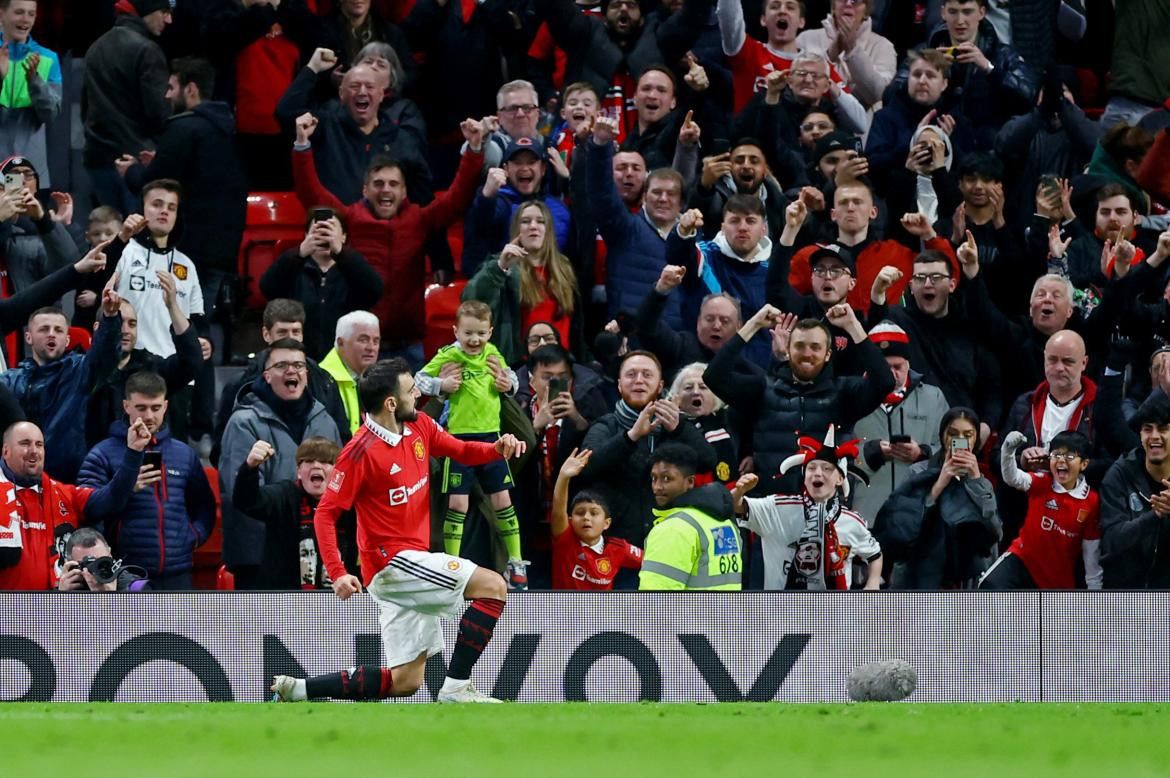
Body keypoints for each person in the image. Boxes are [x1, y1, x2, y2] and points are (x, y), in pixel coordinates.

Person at [271, 358, 526, 703]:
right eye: (411, 390)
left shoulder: (419, 424)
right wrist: (338, 571)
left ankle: (298, 689)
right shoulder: (359, 452)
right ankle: (457, 687)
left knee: (406, 681)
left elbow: (461, 450)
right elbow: (325, 514)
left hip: (412, 559)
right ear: (391, 403)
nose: (418, 394)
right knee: (493, 585)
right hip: (390, 563)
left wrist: (495, 449)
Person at [292, 112, 485, 367]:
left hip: (408, 346)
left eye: (393, 184)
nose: (386, 189)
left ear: (404, 191)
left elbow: (457, 198)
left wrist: (473, 149)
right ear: (365, 189)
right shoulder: (350, 219)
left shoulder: (419, 219)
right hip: (360, 347)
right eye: (378, 183)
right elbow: (310, 192)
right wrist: (302, 145)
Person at [704, 303, 896, 495]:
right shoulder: (762, 389)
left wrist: (853, 326)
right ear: (788, 349)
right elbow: (713, 376)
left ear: (828, 354)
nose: (807, 354)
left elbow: (885, 381)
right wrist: (753, 324)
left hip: (826, 506)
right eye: (799, 346)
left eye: (815, 347)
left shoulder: (844, 392)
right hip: (771, 506)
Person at [114, 56, 248, 320]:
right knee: (202, 321)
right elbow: (202, 175)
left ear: (191, 89)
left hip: (190, 247)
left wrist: (130, 171)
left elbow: (152, 184)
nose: (166, 94)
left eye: (172, 87)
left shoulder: (184, 127)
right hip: (224, 246)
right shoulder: (231, 128)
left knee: (178, 322)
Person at [415, 300, 526, 588]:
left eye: (480, 333)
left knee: (502, 499)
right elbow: (419, 380)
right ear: (455, 331)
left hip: (493, 438)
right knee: (458, 503)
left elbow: (511, 378)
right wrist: (442, 386)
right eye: (468, 334)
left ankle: (516, 563)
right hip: (458, 441)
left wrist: (508, 385)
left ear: (490, 332)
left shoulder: (493, 354)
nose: (474, 340)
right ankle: (451, 567)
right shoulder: (449, 355)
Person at [219, 338, 343, 590]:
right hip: (260, 558)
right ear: (266, 376)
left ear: (307, 374)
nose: (291, 371)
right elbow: (241, 495)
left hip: (319, 552)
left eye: (298, 365)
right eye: (281, 365)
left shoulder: (324, 419)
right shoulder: (244, 421)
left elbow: (339, 483)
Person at [77, 371, 215, 591]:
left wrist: (193, 537)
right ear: (126, 406)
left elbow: (205, 507)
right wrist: (126, 487)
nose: (149, 416)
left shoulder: (184, 454)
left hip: (178, 572)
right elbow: (88, 508)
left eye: (156, 407)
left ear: (166, 406)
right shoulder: (102, 453)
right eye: (141, 408)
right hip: (126, 574)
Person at [578, 350, 717, 549]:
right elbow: (587, 466)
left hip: (673, 539)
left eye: (647, 375)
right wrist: (631, 436)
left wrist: (678, 429)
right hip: (618, 545)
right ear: (619, 384)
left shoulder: (677, 425)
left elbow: (708, 461)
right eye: (631, 374)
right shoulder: (606, 425)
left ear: (660, 386)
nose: (639, 380)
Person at [0, 418, 151, 590]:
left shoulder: (64, 494)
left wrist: (133, 452)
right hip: (8, 609)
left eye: (39, 444)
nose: (34, 451)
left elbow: (110, 500)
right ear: (6, 451)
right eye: (25, 443)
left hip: (58, 609)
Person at [0, 272, 122, 483]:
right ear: (28, 337)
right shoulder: (9, 380)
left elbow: (106, 356)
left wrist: (110, 318)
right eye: (44, 329)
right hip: (15, 480)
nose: (51, 334)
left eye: (58, 330)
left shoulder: (80, 370)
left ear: (67, 340)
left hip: (66, 482)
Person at [532, 0, 713, 141]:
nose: (624, 9)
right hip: (589, 143)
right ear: (604, 12)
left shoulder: (659, 37)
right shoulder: (585, 35)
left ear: (642, 13)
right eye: (616, 4)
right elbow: (556, 8)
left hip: (651, 146)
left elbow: (694, 15)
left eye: (631, 4)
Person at [732, 427, 882, 589]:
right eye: (811, 468)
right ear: (804, 477)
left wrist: (873, 583)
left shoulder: (852, 522)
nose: (817, 473)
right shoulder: (777, 508)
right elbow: (737, 507)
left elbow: (875, 554)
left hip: (834, 611)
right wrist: (739, 491)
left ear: (840, 479)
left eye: (827, 468)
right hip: (784, 610)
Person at [276, 51, 430, 206]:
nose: (362, 91)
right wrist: (312, 68)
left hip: (385, 228)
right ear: (341, 94)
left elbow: (423, 200)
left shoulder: (401, 139)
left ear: (381, 94)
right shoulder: (325, 125)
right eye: (354, 86)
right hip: (334, 226)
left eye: (369, 86)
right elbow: (285, 112)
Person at [784, 180, 958, 316]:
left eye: (858, 202)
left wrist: (929, 235)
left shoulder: (897, 254)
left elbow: (949, 278)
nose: (850, 208)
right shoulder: (810, 257)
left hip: (889, 344)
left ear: (873, 212)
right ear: (833, 214)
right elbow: (783, 297)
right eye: (843, 202)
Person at [874, 406, 1002, 589]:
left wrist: (976, 482)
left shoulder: (982, 482)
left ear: (976, 440)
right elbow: (902, 525)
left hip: (965, 578)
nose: (959, 440)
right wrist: (939, 483)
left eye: (968, 435)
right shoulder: (918, 472)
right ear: (943, 435)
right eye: (953, 433)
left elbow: (995, 531)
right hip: (919, 572)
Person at [212, 299, 350, 461]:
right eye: (282, 332)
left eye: (296, 332)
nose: (290, 339)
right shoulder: (239, 385)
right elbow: (223, 450)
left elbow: (342, 438)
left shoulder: (325, 381)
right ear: (266, 334)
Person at [586, 115, 687, 328]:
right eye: (656, 192)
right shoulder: (626, 229)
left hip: (679, 341)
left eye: (671, 194)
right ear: (644, 196)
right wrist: (600, 146)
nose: (663, 198)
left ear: (681, 201)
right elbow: (602, 194)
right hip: (632, 339)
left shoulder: (693, 238)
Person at [85, 269, 202, 448]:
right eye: (119, 322)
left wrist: (172, 306)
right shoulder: (83, 370)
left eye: (132, 324)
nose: (126, 330)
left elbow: (192, 362)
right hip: (99, 465)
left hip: (149, 459)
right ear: (98, 327)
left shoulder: (152, 366)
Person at [464, 200, 584, 365]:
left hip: (562, 365)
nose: (533, 226)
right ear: (516, 229)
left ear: (548, 230)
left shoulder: (564, 268)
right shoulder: (502, 267)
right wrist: (500, 267)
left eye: (540, 221)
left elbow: (576, 326)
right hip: (520, 367)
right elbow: (472, 301)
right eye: (525, 221)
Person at [232, 435, 359, 590]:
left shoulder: (350, 505)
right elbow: (247, 501)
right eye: (309, 461)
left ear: (337, 472)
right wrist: (250, 468)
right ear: (299, 471)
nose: (316, 466)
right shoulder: (284, 495)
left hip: (340, 599)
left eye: (325, 462)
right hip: (284, 600)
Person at [81, 0, 172, 213]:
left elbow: (86, 109)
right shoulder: (148, 50)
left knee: (109, 237)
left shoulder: (95, 47)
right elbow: (159, 113)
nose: (169, 20)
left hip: (97, 159)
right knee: (139, 238)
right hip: (134, 164)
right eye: (164, 11)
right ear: (146, 10)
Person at [981, 429, 1102, 589]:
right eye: (1056, 455)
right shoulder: (1042, 482)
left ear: (1084, 464)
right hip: (1022, 560)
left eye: (1070, 456)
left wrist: (1095, 592)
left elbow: (1091, 554)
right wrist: (1008, 450)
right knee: (989, 585)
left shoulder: (1091, 501)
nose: (1061, 461)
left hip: (1056, 578)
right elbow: (1012, 477)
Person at [852, 321, 949, 521]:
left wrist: (923, 453)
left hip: (918, 514)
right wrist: (869, 453)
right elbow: (836, 451)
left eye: (898, 367)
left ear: (909, 364)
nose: (893, 374)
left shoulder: (933, 397)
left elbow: (954, 446)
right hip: (865, 514)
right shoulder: (851, 396)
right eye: (886, 367)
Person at [105, 180, 209, 361]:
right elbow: (96, 282)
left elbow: (197, 319)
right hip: (128, 367)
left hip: (174, 371)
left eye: (172, 207)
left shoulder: (186, 264)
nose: (164, 211)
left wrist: (207, 342)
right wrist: (121, 238)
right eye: (156, 204)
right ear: (141, 209)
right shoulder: (123, 251)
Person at [260, 211, 383, 362]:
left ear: (343, 236)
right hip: (300, 359)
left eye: (330, 230)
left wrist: (341, 253)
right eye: (318, 230)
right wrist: (300, 253)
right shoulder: (293, 268)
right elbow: (267, 288)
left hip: (344, 360)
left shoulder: (354, 270)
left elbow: (375, 290)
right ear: (306, 236)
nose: (324, 236)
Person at [667, 199, 773, 366]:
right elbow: (680, 258)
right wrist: (683, 233)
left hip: (757, 374)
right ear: (723, 227)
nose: (743, 227)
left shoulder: (775, 270)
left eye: (751, 221)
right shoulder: (707, 255)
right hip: (702, 370)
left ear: (764, 229)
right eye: (734, 221)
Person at [461, 136, 574, 278]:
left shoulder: (560, 209)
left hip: (554, 291)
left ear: (543, 169)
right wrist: (486, 198)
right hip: (508, 292)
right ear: (506, 169)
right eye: (517, 162)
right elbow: (477, 235)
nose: (524, 168)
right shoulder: (498, 203)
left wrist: (569, 183)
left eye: (531, 162)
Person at [638, 441, 741, 591]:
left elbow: (655, 602)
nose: (657, 486)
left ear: (690, 482)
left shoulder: (673, 530)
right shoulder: (725, 523)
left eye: (667, 478)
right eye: (654, 478)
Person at [1098, 400, 1170, 588]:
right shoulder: (1119, 475)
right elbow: (1112, 542)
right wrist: (1155, 515)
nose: (1155, 436)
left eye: (1163, 429)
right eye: (1147, 429)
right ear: (1139, 435)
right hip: (1127, 593)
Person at [550, 447, 642, 589]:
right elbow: (558, 510)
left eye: (594, 513)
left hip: (602, 611)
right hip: (566, 610)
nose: (586, 517)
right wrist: (564, 476)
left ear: (606, 523)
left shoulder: (619, 548)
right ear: (570, 520)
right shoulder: (566, 541)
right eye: (580, 513)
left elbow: (651, 560)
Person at [635, 265, 743, 380]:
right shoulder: (681, 347)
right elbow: (645, 326)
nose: (716, 326)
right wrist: (661, 289)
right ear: (698, 322)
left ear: (739, 327)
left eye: (725, 321)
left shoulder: (745, 368)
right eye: (709, 319)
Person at [0, 0, 63, 187]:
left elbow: (51, 115)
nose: (25, 19)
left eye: (31, 14)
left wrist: (34, 81)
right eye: (19, 12)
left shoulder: (48, 59)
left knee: (25, 216)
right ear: (1, 14)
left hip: (28, 171)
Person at [796, 0, 896, 110]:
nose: (848, 3)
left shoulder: (883, 46)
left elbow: (879, 95)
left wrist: (853, 52)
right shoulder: (806, 38)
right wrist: (830, 55)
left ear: (866, 10)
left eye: (856, 1)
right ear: (833, 6)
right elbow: (794, 84)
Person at [668, 362, 741, 487]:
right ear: (676, 397)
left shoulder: (731, 422)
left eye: (703, 387)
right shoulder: (668, 428)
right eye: (688, 388)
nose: (696, 392)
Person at [319, 311, 381, 436]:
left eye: (376, 341)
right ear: (341, 343)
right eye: (363, 340)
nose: (371, 347)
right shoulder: (322, 382)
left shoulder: (381, 378)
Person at [55, 527, 150, 592]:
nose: (95, 571)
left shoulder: (135, 588)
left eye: (101, 562)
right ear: (72, 566)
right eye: (86, 565)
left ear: (110, 555)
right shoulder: (68, 588)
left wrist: (109, 599)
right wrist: (62, 599)